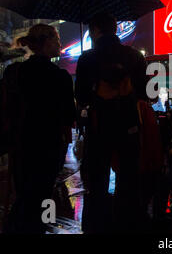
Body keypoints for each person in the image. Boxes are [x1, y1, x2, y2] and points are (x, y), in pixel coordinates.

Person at [75, 13, 148, 233]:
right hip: (129, 126)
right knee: (129, 178)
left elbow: (82, 96)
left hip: (100, 126)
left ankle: (98, 225)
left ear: (96, 30)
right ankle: (128, 223)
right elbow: (145, 92)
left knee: (97, 181)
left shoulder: (87, 58)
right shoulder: (134, 56)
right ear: (115, 29)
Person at [2, 24, 75, 234]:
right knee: (42, 197)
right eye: (57, 40)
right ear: (46, 43)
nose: (60, 45)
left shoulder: (14, 72)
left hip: (21, 145)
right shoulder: (60, 77)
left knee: (24, 194)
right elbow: (69, 116)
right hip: (48, 148)